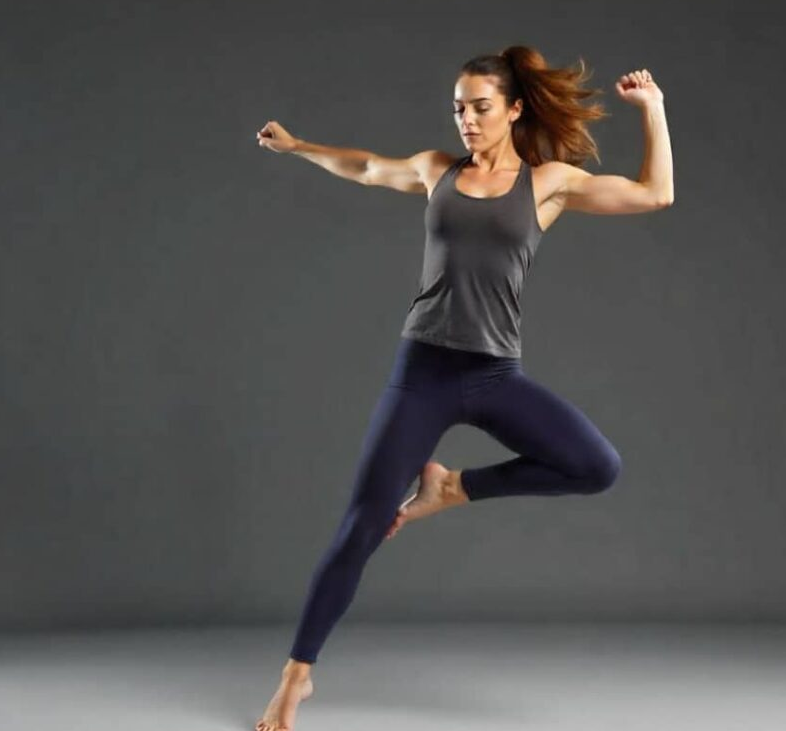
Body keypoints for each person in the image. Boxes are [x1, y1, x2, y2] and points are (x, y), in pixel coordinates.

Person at [251, 45, 673, 731]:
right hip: (422, 375)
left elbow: (656, 193)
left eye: (480, 107)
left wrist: (652, 108)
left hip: (494, 375)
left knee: (597, 465)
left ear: (513, 109)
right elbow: (366, 167)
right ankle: (295, 678)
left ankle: (452, 488)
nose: (467, 120)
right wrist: (300, 147)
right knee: (363, 525)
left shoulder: (548, 184)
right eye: (458, 109)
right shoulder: (436, 170)